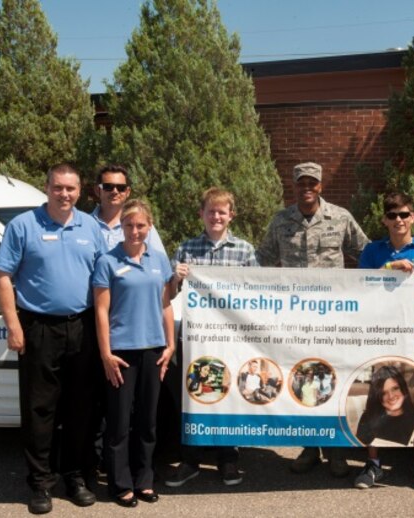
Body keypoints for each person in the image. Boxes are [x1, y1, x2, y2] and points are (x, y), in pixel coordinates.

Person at [0, 163, 105, 514]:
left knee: (80, 409)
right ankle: (40, 483)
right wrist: (13, 325)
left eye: (71, 188)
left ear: (80, 190)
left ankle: (74, 476)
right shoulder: (23, 226)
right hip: (39, 328)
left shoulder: (92, 227)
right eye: (58, 187)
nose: (64, 194)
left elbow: (104, 281)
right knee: (39, 409)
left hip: (83, 328)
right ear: (47, 187)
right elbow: (1, 277)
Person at [256, 161, 369, 477]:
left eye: (312, 183)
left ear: (320, 185)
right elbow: (260, 261)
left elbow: (367, 254)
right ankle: (309, 448)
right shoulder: (281, 221)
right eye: (301, 183)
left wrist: (394, 270)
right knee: (303, 381)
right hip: (294, 319)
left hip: (332, 317)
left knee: (333, 380)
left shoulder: (340, 218)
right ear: (294, 187)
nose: (307, 188)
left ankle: (337, 451)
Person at [165, 187, 257, 488]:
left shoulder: (244, 251)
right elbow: (168, 294)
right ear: (201, 214)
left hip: (231, 338)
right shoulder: (187, 249)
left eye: (222, 211)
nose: (216, 216)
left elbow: (257, 293)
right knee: (195, 395)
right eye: (210, 211)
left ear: (231, 215)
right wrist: (175, 276)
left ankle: (228, 459)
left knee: (228, 395)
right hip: (195, 338)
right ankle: (190, 460)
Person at [354, 192, 414, 492]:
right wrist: (389, 269)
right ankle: (374, 463)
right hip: (378, 339)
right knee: (376, 401)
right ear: (384, 220)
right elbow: (360, 291)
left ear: (413, 217)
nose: (399, 220)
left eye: (404, 214)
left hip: (413, 341)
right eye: (392, 216)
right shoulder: (372, 252)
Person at [92, 200, 174, 508]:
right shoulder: (107, 261)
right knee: (118, 422)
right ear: (121, 228)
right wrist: (105, 353)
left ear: (149, 227)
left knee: (148, 421)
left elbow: (165, 305)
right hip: (121, 353)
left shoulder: (159, 260)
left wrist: (170, 344)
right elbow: (101, 310)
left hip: (153, 350)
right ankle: (119, 483)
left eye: (141, 226)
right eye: (129, 225)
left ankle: (144, 480)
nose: (135, 231)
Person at [92, 164, 167, 254]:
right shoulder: (85, 225)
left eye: (121, 188)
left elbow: (160, 261)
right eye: (108, 187)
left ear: (127, 192)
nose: (115, 191)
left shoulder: (142, 225)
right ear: (97, 190)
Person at [355, 365, 414, 447]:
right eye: (384, 393)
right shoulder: (367, 418)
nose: (391, 396)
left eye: (395, 388)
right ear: (377, 396)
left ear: (403, 388)